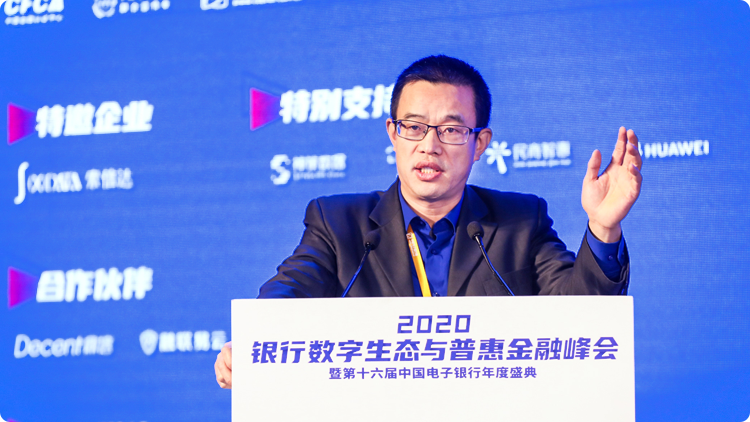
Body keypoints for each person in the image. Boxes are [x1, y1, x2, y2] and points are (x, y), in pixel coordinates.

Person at [214, 55, 643, 388]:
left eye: (451, 130)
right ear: (392, 133)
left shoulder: (519, 221)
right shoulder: (338, 222)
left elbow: (579, 317)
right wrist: (255, 341)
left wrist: (603, 228)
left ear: (480, 143)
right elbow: (289, 290)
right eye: (414, 127)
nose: (429, 146)